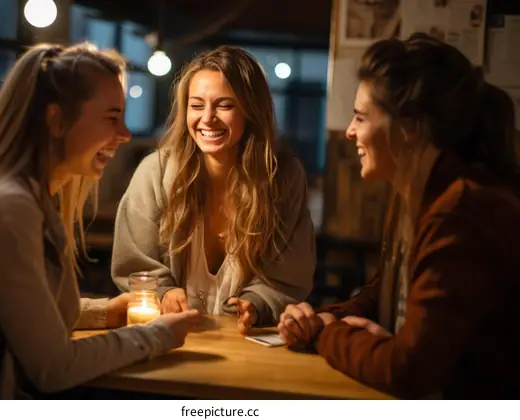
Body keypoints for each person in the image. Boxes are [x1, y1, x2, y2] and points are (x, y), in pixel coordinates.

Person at [0, 42, 199, 399]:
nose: (126, 134)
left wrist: (104, 313)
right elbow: (54, 366)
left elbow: (24, 316)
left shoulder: (24, 197)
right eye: (112, 118)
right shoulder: (6, 207)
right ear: (55, 120)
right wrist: (159, 335)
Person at [279, 33, 520, 398]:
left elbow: (407, 371)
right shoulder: (415, 193)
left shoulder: (462, 214)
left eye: (361, 117)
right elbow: (388, 289)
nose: (349, 132)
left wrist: (327, 334)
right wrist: (323, 318)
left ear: (409, 128)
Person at [111, 46, 315, 334]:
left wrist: (256, 303)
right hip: (166, 337)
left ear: (251, 111)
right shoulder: (154, 172)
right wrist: (164, 293)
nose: (207, 118)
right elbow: (134, 262)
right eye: (196, 106)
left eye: (224, 105)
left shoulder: (282, 179)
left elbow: (288, 273)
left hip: (247, 346)